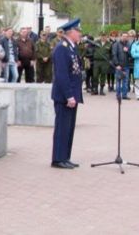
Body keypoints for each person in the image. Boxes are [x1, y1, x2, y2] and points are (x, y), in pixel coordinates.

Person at [51, 18, 83, 169]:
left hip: (72, 95)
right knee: (62, 128)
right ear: (71, 32)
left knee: (69, 128)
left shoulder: (71, 47)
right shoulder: (61, 48)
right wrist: (69, 96)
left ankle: (65, 157)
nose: (80, 34)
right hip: (64, 96)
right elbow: (62, 75)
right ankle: (58, 159)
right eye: (78, 31)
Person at [112, 32, 131, 100]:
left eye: (126, 36)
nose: (125, 37)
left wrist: (127, 51)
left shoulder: (128, 44)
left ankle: (124, 95)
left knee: (125, 81)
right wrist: (117, 64)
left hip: (126, 66)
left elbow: (130, 55)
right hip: (119, 66)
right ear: (121, 36)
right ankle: (118, 95)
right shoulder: (116, 44)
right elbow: (114, 55)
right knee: (118, 81)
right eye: (123, 36)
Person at [130, 33, 139, 99]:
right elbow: (133, 54)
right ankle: (138, 95)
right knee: (137, 81)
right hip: (137, 65)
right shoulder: (134, 45)